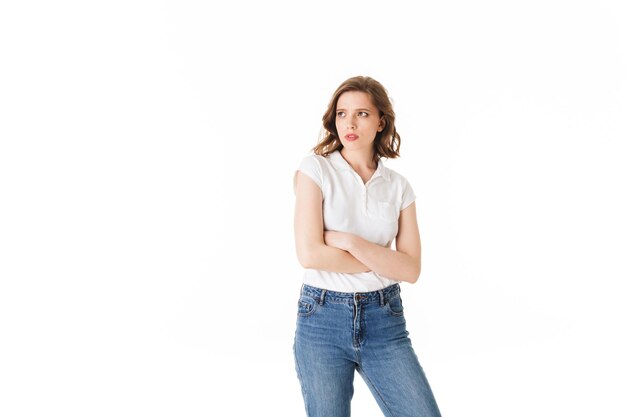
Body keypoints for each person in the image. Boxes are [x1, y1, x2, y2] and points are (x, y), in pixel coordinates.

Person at [292, 76, 443, 417]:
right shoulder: (315, 169)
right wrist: (384, 260)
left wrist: (349, 242)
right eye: (342, 113)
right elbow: (310, 254)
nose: (349, 122)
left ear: (380, 122)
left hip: (384, 319)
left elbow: (411, 270)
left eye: (361, 114)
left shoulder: (399, 187)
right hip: (322, 317)